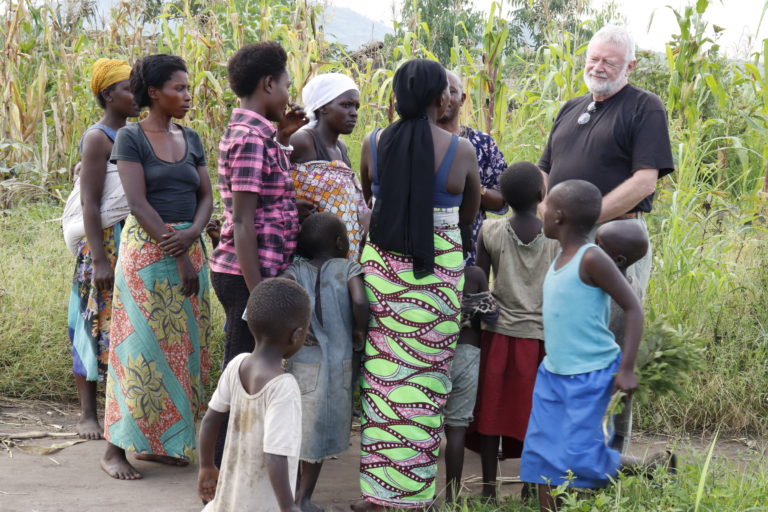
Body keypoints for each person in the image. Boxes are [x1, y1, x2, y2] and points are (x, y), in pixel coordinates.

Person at [354, 59, 481, 510]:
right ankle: (415, 494)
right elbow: (469, 215)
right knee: (427, 381)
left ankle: (379, 492)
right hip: (437, 273)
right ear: (441, 98)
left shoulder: (372, 143)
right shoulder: (459, 150)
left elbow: (369, 197)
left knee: (383, 380)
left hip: (383, 269)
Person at [519, 180, 673, 512]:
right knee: (542, 452)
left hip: (591, 375)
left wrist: (627, 368)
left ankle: (647, 467)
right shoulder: (559, 257)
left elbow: (633, 308)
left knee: (580, 458)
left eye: (546, 206)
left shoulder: (591, 258)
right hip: (553, 375)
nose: (541, 210)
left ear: (559, 216)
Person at [101, 54, 213, 480]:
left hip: (190, 248)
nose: (187, 95)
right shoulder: (131, 138)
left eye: (187, 88)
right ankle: (114, 450)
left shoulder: (192, 138)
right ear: (153, 92)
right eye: (178, 88)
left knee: (182, 351)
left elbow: (206, 196)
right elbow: (137, 203)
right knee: (138, 350)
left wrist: (193, 235)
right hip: (149, 254)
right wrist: (179, 251)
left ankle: (163, 443)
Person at [208, 42, 307, 464]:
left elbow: (265, 200)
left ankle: (238, 457)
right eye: (285, 85)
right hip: (245, 275)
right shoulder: (250, 139)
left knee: (249, 366)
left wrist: (283, 136)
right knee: (240, 371)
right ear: (268, 84)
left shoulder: (262, 135)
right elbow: (243, 222)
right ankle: (219, 466)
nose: (288, 95)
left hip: (255, 273)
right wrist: (259, 295)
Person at [538, 25, 674, 293]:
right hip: (560, 234)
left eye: (608, 62)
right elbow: (544, 169)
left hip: (614, 238)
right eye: (593, 59)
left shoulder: (645, 106)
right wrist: (546, 211)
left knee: (610, 315)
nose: (597, 67)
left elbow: (645, 182)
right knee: (559, 312)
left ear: (630, 66)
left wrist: (586, 219)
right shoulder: (570, 107)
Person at [468, 162, 559, 501]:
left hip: (498, 335)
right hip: (539, 339)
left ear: (503, 197)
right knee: (535, 414)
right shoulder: (555, 238)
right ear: (541, 194)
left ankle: (489, 489)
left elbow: (479, 285)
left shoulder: (490, 230)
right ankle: (530, 487)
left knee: (491, 411)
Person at [66, 58, 139, 440]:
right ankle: (87, 414)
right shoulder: (98, 138)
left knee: (124, 326)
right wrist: (98, 259)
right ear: (109, 94)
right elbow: (91, 203)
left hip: (132, 240)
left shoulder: (135, 134)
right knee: (91, 323)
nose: (136, 95)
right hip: (104, 242)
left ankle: (121, 412)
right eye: (129, 88)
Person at [197, 278, 310, 512]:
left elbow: (209, 421)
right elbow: (275, 455)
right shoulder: (283, 387)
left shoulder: (236, 365)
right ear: (296, 335)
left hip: (229, 502)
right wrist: (288, 507)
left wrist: (206, 466)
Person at [280, 213, 368, 512]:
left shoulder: (295, 271)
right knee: (317, 437)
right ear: (341, 242)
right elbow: (359, 301)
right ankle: (303, 499)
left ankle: (291, 495)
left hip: (302, 364)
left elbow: (277, 292)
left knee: (299, 429)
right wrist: (359, 330)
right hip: (338, 366)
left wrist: (295, 327)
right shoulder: (349, 268)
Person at [290, 73, 370, 260]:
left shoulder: (341, 149)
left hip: (339, 256)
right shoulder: (303, 141)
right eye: (346, 105)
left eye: (356, 106)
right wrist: (290, 207)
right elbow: (267, 176)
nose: (354, 113)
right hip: (309, 258)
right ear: (323, 107)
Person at [437, 69, 507, 266]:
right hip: (424, 252)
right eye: (439, 91)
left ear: (463, 99)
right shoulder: (419, 141)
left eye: (452, 91)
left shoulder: (482, 143)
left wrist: (474, 189)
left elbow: (502, 199)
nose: (445, 97)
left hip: (469, 253)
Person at [443, 264, 498, 503]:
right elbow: (492, 316)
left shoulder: (427, 268)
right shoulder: (474, 274)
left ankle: (418, 498)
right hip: (467, 351)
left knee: (424, 426)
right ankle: (452, 498)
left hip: (430, 353)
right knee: (456, 428)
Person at [595, 220, 649, 454]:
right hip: (621, 367)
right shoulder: (633, 284)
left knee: (603, 426)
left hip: (606, 370)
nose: (592, 249)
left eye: (598, 245)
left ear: (617, 260)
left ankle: (641, 466)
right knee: (614, 423)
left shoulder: (604, 290)